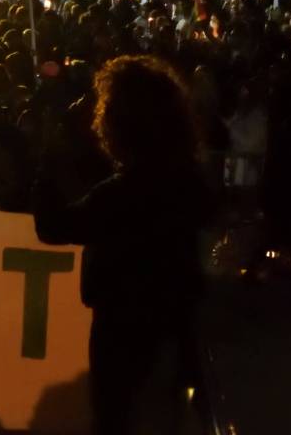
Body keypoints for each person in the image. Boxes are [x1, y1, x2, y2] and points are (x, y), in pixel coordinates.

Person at [34, 56, 213, 434]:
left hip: (122, 331)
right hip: (176, 328)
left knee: (117, 418)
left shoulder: (123, 193)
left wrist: (50, 157)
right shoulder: (187, 181)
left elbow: (53, 227)